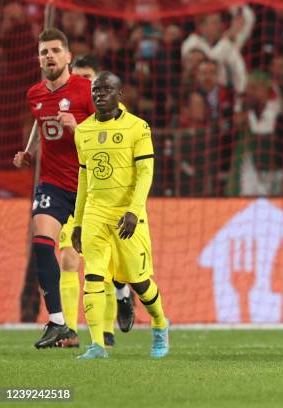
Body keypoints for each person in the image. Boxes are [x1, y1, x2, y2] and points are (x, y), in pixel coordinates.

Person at [72, 72, 169, 359]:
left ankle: (160, 324)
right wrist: (77, 222)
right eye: (96, 90)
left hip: (127, 214)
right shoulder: (83, 131)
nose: (99, 95)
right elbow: (83, 179)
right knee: (92, 276)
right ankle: (97, 345)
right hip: (95, 212)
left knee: (138, 281)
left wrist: (133, 210)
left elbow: (146, 173)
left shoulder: (138, 128)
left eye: (106, 89)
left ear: (119, 94)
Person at [14, 28, 95, 349]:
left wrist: (79, 128)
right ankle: (58, 322)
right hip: (52, 184)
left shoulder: (87, 90)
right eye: (44, 52)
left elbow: (109, 133)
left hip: (89, 185)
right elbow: (39, 120)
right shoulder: (34, 93)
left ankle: (122, 295)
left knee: (105, 257)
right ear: (39, 58)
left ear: (68, 57)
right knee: (43, 242)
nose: (49, 56)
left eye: (55, 51)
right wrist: (30, 150)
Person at [58, 54, 136, 348]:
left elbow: (105, 147)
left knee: (110, 267)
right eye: (78, 78)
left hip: (109, 197)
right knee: (69, 258)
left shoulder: (114, 111)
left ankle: (111, 319)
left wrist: (75, 128)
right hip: (70, 191)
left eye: (88, 78)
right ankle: (68, 330)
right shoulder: (64, 105)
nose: (85, 85)